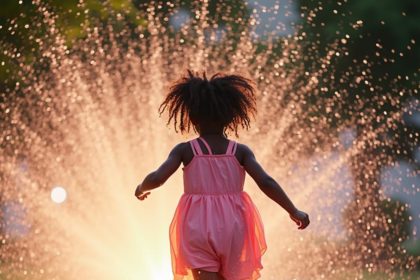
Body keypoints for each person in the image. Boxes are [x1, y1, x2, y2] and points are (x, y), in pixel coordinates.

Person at [134, 70, 310, 280]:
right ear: (231, 116)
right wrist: (293, 210)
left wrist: (141, 188)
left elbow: (157, 178)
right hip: (235, 225)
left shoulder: (186, 150)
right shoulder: (240, 151)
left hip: (197, 226)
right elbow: (266, 181)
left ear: (191, 116)